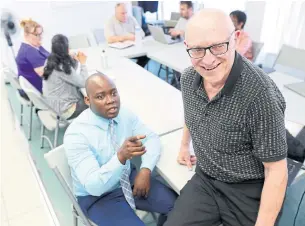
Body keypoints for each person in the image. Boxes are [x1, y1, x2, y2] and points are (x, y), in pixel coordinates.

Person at [165, 9, 288, 226]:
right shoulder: (187, 79)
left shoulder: (260, 95)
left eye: (218, 46)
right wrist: (184, 146)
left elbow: (276, 170)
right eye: (197, 50)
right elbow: (190, 113)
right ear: (187, 48)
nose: (208, 60)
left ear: (236, 39)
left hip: (247, 189)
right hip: (206, 178)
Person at [64, 73, 177, 226]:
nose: (111, 101)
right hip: (98, 198)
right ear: (88, 100)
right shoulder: (76, 134)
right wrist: (120, 158)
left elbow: (151, 138)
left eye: (113, 93)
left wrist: (145, 170)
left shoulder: (124, 114)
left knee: (180, 207)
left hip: (128, 179)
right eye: (100, 96)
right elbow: (93, 186)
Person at [42, 34, 89, 119]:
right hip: (66, 110)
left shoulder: (50, 60)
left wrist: (72, 58)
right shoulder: (62, 66)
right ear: (66, 48)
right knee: (96, 102)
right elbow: (84, 82)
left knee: (83, 94)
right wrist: (83, 63)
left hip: (54, 106)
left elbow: (70, 73)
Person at [104, 3, 149, 68]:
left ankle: (136, 70)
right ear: (116, 13)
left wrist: (135, 36)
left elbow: (142, 34)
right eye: (122, 13)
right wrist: (126, 37)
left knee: (145, 56)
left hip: (132, 49)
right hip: (118, 51)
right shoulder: (110, 21)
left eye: (126, 13)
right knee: (121, 62)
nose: (125, 15)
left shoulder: (131, 19)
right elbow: (109, 39)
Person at [16, 19, 49, 95]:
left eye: (41, 34)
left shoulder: (34, 46)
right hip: (40, 89)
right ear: (26, 35)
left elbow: (49, 56)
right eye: (37, 35)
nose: (40, 37)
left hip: (38, 85)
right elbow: (45, 73)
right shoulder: (29, 51)